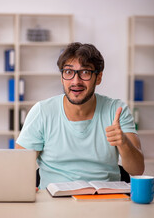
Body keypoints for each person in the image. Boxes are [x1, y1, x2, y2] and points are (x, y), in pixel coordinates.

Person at [16, 42, 144, 189]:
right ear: (62, 77)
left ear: (99, 77)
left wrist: (124, 143)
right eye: (69, 72)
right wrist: (26, 186)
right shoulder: (42, 111)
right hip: (53, 203)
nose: (76, 81)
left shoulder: (116, 110)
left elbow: (137, 170)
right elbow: (19, 167)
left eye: (85, 73)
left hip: (106, 200)